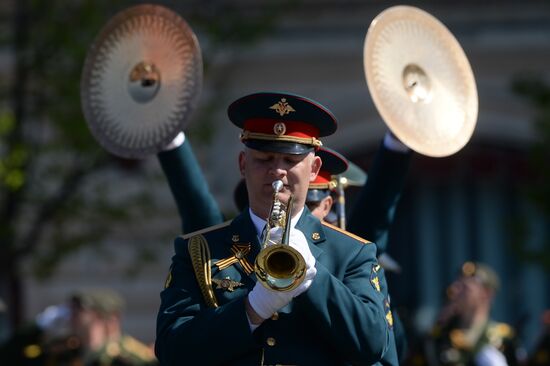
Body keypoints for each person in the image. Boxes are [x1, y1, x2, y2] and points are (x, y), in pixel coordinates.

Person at [155, 91, 392, 365]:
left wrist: (314, 279)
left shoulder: (352, 252)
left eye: (290, 161)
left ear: (314, 168)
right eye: (264, 159)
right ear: (243, 165)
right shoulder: (200, 250)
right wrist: (252, 310)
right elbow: (172, 349)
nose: (277, 171)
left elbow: (374, 344)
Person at [423, 261, 520, 366]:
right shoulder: (441, 336)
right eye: (457, 285)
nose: (456, 291)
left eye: (465, 287)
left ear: (486, 293)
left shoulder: (503, 339)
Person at [70, 288, 158, 366]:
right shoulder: (72, 351)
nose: (73, 315)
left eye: (81, 310)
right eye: (73, 309)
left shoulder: (129, 356)